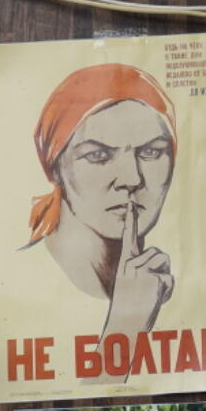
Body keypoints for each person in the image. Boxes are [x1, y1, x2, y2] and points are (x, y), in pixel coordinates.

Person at [25, 63, 177, 343]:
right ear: (55, 167)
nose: (131, 179)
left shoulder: (173, 280)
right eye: (97, 155)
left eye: (151, 152)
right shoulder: (23, 283)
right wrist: (126, 325)